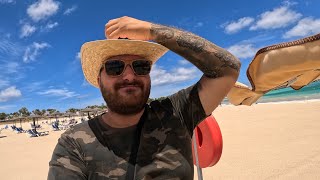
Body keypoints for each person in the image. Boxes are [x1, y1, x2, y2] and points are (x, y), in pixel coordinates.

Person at [48, 16, 240, 179]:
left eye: (141, 66)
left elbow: (228, 69)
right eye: (115, 67)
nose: (130, 76)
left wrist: (152, 31)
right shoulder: (74, 144)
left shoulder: (176, 113)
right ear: (99, 80)